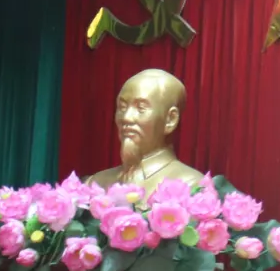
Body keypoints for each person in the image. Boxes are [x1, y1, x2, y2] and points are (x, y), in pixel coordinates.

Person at [86, 68, 203, 196]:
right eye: (122, 107)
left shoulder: (192, 186)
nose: (126, 117)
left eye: (140, 108)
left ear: (170, 119)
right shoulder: (96, 183)